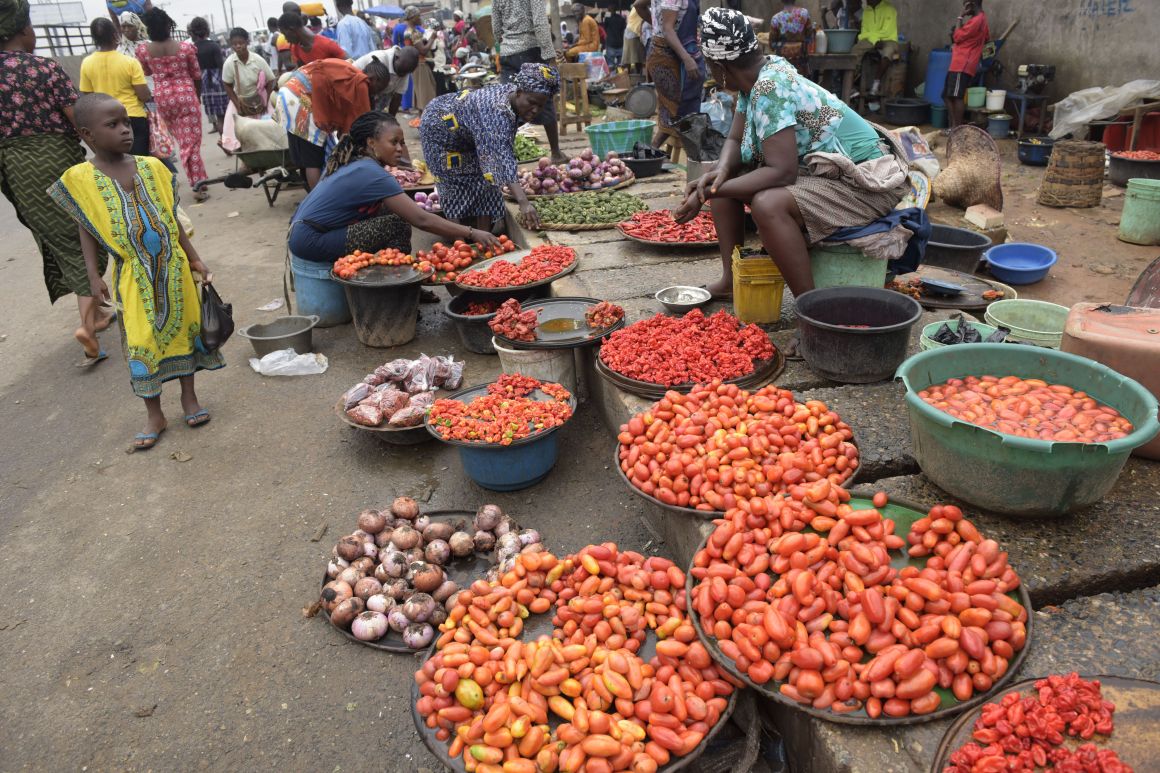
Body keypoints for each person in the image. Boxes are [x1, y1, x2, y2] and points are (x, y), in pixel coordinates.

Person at [676, 8, 907, 304]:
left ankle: (811, 310)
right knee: (725, 185)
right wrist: (718, 175)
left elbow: (781, 172)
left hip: (868, 183)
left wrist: (708, 190)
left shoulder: (771, 87)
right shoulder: (756, 77)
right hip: (830, 174)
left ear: (719, 66)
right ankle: (730, 281)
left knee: (767, 204)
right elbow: (734, 137)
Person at [50, 94, 225, 449]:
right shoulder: (80, 179)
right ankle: (154, 413)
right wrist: (93, 275)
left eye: (126, 122)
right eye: (112, 125)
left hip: (174, 269)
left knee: (187, 329)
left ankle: (189, 398)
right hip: (133, 275)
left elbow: (171, 219)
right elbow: (86, 227)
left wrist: (194, 257)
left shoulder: (153, 167)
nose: (125, 130)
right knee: (142, 342)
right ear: (87, 134)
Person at [0, 0, 116, 365]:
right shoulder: (43, 68)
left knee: (61, 239)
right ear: (23, 31)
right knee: (83, 235)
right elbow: (77, 116)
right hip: (56, 162)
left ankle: (96, 313)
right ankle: (87, 324)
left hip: (15, 169)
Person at [289, 111, 502, 271]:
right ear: (371, 143)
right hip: (310, 240)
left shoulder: (357, 163)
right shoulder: (371, 172)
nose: (400, 148)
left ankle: (389, 278)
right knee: (397, 225)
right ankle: (399, 285)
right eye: (394, 142)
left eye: (401, 142)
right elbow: (422, 220)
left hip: (304, 232)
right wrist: (472, 232)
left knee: (390, 212)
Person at [420, 63, 560, 233]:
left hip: (469, 132)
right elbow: (501, 157)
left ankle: (485, 238)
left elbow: (497, 158)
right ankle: (458, 242)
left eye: (541, 106)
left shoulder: (513, 97)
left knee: (487, 179)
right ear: (520, 92)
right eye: (532, 103)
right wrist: (523, 202)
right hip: (439, 126)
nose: (535, 110)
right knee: (452, 182)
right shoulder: (495, 110)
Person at [273, 55, 400, 190]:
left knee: (306, 156)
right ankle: (319, 201)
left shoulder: (351, 72)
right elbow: (358, 129)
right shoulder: (361, 84)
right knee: (312, 159)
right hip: (300, 98)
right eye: (379, 88)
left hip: (291, 93)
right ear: (374, 80)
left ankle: (314, 198)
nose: (377, 94)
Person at [136, 8, 209, 201]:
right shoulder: (185, 48)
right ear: (169, 25)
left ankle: (191, 179)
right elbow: (196, 75)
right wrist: (197, 96)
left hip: (162, 99)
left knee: (179, 142)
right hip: (186, 96)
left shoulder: (144, 51)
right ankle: (198, 184)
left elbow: (146, 72)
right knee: (190, 143)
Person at [492, 0, 568, 163]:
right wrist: (550, 56)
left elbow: (495, 27)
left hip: (507, 53)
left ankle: (503, 155)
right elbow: (540, 23)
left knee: (510, 103)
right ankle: (555, 153)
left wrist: (503, 45)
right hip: (530, 51)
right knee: (543, 99)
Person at [634, 0, 704, 148]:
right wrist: (687, 58)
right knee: (674, 108)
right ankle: (651, 151)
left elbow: (639, 5)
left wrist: (658, 26)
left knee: (676, 106)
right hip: (665, 54)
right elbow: (667, 29)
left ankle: (652, 151)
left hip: (673, 49)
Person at [80, 18, 152, 156]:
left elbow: (88, 97)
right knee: (139, 161)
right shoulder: (130, 62)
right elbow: (144, 95)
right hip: (132, 117)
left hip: (104, 120)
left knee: (116, 162)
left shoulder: (86, 63)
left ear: (94, 38)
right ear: (115, 34)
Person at [221, 28, 276, 152]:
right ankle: (241, 153)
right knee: (234, 128)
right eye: (235, 44)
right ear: (231, 45)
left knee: (271, 125)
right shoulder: (230, 63)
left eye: (241, 43)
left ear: (247, 42)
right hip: (240, 99)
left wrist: (265, 100)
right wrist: (237, 104)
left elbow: (271, 79)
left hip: (259, 99)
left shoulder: (257, 59)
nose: (238, 46)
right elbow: (227, 84)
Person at [944, 0, 989, 129]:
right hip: (961, 62)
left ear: (971, 5)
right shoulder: (981, 19)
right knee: (946, 95)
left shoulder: (976, 21)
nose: (964, 7)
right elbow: (986, 38)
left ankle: (957, 127)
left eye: (965, 4)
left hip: (962, 63)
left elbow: (956, 37)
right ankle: (954, 126)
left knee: (956, 96)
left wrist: (960, 16)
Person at [849, 0, 898, 96]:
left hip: (888, 39)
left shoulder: (889, 9)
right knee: (854, 51)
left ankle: (876, 84)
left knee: (888, 53)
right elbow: (863, 32)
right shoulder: (867, 11)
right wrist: (874, 41)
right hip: (870, 40)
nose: (866, 1)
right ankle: (852, 86)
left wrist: (873, 39)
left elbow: (887, 31)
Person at [187, 17, 227, 134]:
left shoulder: (192, 49)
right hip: (218, 82)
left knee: (218, 117)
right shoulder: (214, 46)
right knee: (225, 116)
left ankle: (224, 142)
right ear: (207, 30)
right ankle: (230, 143)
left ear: (193, 32)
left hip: (204, 84)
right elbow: (222, 66)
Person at [357, 46, 420, 116]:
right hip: (357, 88)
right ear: (396, 58)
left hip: (375, 92)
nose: (402, 75)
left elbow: (397, 97)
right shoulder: (380, 60)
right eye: (401, 71)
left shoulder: (405, 68)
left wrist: (392, 119)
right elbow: (368, 90)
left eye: (406, 73)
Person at [392, 6, 430, 111]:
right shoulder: (418, 29)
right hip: (416, 59)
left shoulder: (399, 28)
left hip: (404, 59)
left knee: (406, 83)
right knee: (414, 84)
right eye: (418, 16)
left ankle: (407, 106)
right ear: (412, 17)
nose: (420, 18)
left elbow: (394, 44)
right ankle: (415, 106)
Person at [279, 11, 347, 66]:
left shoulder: (327, 44)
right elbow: (301, 73)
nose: (286, 40)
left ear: (292, 30)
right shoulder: (296, 48)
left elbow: (349, 64)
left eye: (285, 34)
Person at [769, 0, 811, 75]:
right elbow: (809, 36)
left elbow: (772, 44)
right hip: (801, 60)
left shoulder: (775, 18)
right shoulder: (804, 14)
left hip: (783, 64)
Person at [623, 6, 644, 74]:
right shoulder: (639, 6)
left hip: (632, 33)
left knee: (635, 57)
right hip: (633, 33)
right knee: (635, 58)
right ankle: (632, 77)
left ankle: (632, 76)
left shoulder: (637, 7)